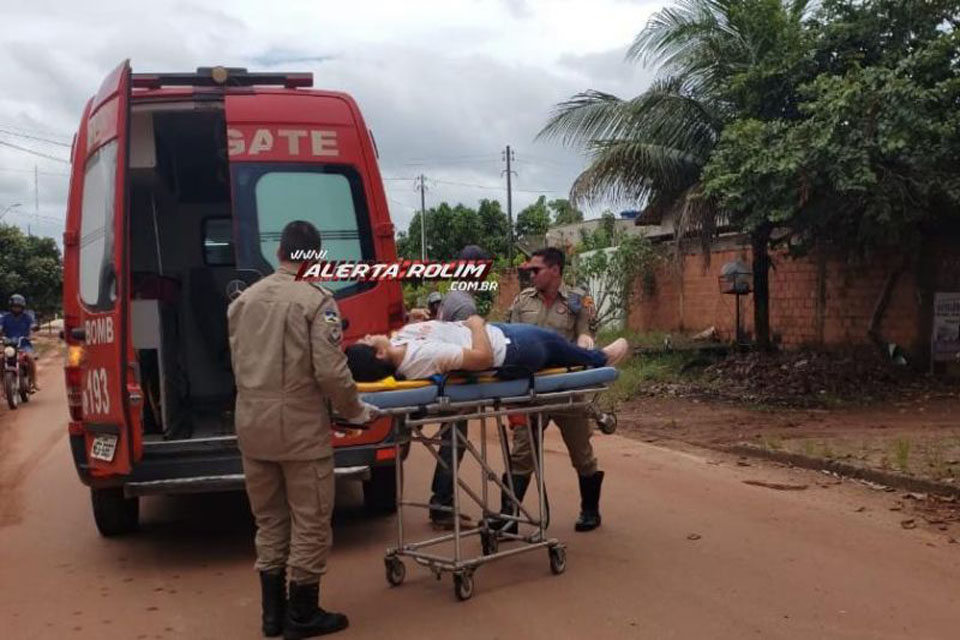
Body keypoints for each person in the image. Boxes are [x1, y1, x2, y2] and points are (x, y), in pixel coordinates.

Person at [228, 220, 376, 639]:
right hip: (298, 428)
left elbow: (237, 361)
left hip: (251, 424)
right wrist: (357, 410)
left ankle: (272, 616)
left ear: (280, 253)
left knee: (270, 521)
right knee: (310, 521)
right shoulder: (316, 300)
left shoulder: (243, 301)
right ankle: (303, 616)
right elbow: (330, 371)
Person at [502, 247, 607, 533]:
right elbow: (509, 339)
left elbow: (586, 331)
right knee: (522, 453)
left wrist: (585, 342)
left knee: (581, 452)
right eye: (530, 271)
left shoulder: (577, 302)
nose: (531, 275)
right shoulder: (523, 301)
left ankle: (590, 510)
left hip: (566, 390)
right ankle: (509, 516)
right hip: (530, 390)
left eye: (536, 270)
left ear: (555, 270)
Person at [344, 317, 628, 382]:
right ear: (379, 355)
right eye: (368, 341)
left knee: (553, 343)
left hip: (500, 334)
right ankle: (599, 358)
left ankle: (582, 351)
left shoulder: (398, 346)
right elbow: (482, 359)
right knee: (548, 340)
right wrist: (477, 324)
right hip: (509, 350)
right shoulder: (423, 358)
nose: (369, 335)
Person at [0, 294, 39, 392]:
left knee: (30, 358)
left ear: (22, 307)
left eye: (18, 306)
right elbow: (0, 326)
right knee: (1, 359)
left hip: (24, 344)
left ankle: (34, 382)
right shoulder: (5, 317)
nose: (16, 308)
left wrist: (32, 332)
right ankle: (2, 384)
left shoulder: (27, 316)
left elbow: (33, 325)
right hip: (9, 345)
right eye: (14, 306)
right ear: (11, 306)